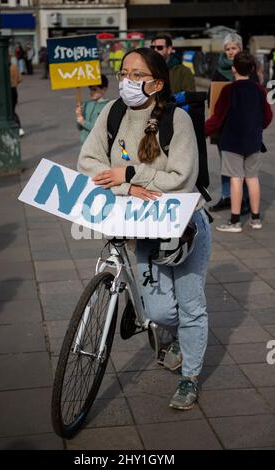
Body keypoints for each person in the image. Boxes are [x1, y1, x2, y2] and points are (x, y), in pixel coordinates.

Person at [78, 48, 212, 410]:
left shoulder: (177, 119)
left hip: (184, 229)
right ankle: (177, 340)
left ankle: (190, 377)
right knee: (158, 312)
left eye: (137, 75)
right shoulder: (112, 112)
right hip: (142, 227)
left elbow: (183, 179)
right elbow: (88, 161)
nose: (127, 81)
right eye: (124, 73)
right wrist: (128, 187)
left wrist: (133, 173)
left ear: (156, 82)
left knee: (191, 306)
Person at [205, 51, 273, 232]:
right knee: (252, 178)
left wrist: (204, 131)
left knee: (236, 179)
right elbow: (267, 116)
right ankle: (256, 218)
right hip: (253, 141)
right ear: (252, 69)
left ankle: (235, 221)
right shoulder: (259, 90)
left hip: (232, 142)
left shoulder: (228, 90)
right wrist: (257, 128)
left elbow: (218, 117)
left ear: (233, 68)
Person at [208, 33, 256, 214]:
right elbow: (212, 95)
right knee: (225, 164)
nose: (230, 52)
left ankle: (244, 199)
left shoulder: (249, 68)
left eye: (233, 48)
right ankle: (227, 197)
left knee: (243, 166)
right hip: (223, 125)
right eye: (227, 49)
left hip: (243, 126)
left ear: (240, 49)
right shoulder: (219, 69)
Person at [76, 74, 109, 145]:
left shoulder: (107, 106)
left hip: (97, 146)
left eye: (94, 89)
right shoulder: (86, 104)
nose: (91, 92)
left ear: (104, 89)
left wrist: (83, 122)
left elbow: (100, 129)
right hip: (84, 145)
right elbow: (79, 128)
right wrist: (79, 116)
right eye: (90, 89)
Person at [10, 57, 25, 137]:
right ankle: (18, 128)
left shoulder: (6, 67)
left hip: (7, 90)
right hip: (14, 89)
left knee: (10, 111)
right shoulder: (14, 66)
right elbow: (20, 78)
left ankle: (19, 128)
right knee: (12, 110)